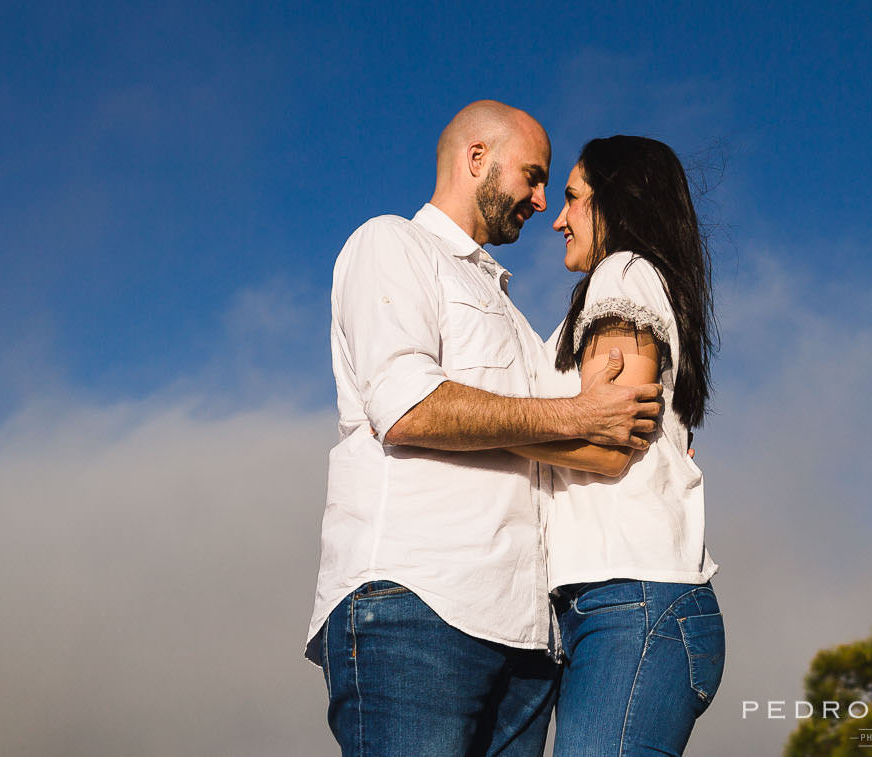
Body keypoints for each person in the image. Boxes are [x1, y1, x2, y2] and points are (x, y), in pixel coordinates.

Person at [306, 101, 664, 757]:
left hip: (526, 639)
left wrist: (657, 437)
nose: (539, 200)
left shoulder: (516, 320)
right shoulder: (391, 243)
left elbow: (577, 444)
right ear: (477, 159)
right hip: (419, 608)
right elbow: (407, 406)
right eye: (531, 176)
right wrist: (578, 414)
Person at [514, 135, 725, 757]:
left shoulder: (624, 273)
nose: (558, 217)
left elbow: (610, 445)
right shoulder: (629, 287)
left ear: (616, 201)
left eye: (574, 199)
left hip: (634, 601)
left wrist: (477, 435)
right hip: (616, 606)